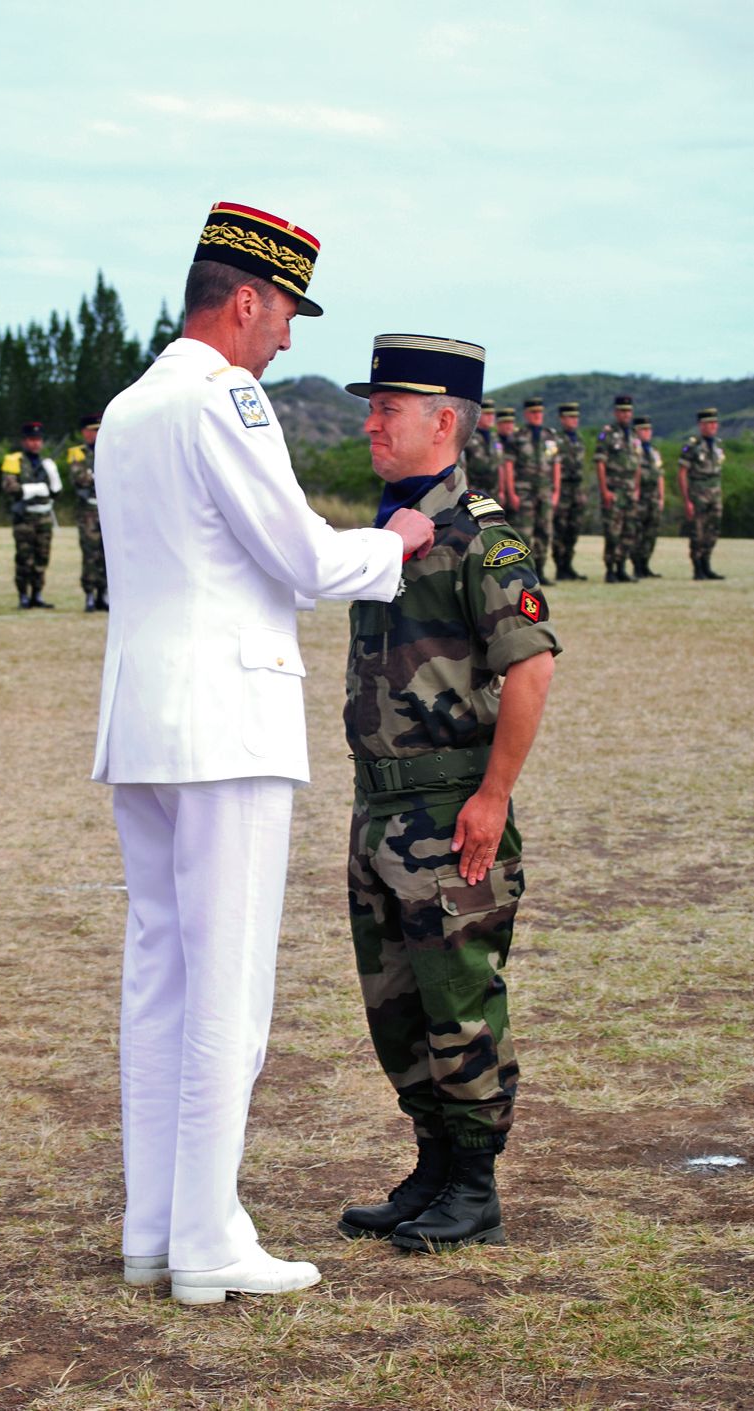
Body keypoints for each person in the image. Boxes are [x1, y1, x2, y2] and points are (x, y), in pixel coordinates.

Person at [92, 200, 435, 1304]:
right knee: (226, 994)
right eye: (283, 311)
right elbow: (297, 558)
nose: (285, 337)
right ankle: (206, 1240)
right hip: (226, 722)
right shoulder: (222, 396)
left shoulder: (130, 404)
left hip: (145, 721)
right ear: (244, 300)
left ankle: (156, 1229)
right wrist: (395, 539)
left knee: (160, 979)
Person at [337, 333, 560, 1252]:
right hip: (379, 805)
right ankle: (432, 1163)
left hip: (446, 806)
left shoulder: (480, 532)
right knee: (395, 1003)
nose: (369, 422)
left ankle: (474, 1183)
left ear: (442, 420)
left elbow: (531, 664)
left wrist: (493, 795)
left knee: (458, 997)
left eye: (386, 408)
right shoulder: (388, 527)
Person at [1, 421, 62, 608]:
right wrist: (34, 489)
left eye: (38, 440)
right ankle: (23, 596)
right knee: (24, 558)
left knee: (42, 557)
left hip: (43, 518)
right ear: (24, 441)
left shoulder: (46, 463)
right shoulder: (14, 460)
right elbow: (10, 487)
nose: (35, 444)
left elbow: (56, 491)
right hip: (24, 518)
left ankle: (37, 594)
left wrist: (53, 476)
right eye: (31, 440)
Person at [503, 397, 560, 584]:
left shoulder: (549, 436)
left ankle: (541, 570)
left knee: (545, 531)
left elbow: (556, 464)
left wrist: (556, 491)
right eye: (533, 412)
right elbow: (508, 465)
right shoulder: (517, 437)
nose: (537, 416)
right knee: (524, 533)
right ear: (526, 414)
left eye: (539, 412)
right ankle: (523, 573)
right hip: (524, 492)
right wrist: (511, 492)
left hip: (544, 492)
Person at [594, 394, 640, 583]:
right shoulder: (608, 434)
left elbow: (637, 464)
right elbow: (600, 463)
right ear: (615, 412)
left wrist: (636, 488)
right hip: (614, 490)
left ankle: (622, 567)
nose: (625, 414)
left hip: (629, 491)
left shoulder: (634, 436)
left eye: (628, 411)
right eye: (622, 411)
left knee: (629, 531)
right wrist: (605, 490)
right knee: (613, 532)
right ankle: (610, 569)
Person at [678, 408, 726, 580]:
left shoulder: (718, 445)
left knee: (712, 531)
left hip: (715, 494)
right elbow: (682, 472)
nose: (712, 426)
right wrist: (687, 500)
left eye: (714, 423)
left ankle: (707, 565)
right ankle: (697, 567)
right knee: (697, 532)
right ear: (700, 425)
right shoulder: (692, 446)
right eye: (708, 423)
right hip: (698, 494)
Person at [67, 414, 107, 611]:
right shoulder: (78, 453)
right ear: (85, 432)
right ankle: (89, 594)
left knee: (107, 553)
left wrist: (93, 476)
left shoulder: (109, 451)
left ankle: (104, 593)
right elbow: (80, 479)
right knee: (90, 553)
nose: (97, 434)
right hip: (88, 512)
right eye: (93, 430)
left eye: (99, 429)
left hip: (107, 508)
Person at [551, 401, 588, 580]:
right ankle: (560, 566)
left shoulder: (578, 439)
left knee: (574, 528)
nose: (574, 420)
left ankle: (568, 564)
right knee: (561, 527)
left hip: (577, 489)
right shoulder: (555, 440)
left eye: (576, 417)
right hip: (564, 487)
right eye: (570, 417)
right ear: (562, 419)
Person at [631, 416, 665, 578]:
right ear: (636, 432)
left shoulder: (654, 451)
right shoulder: (633, 450)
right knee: (637, 532)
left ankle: (645, 564)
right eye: (643, 429)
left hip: (652, 497)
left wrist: (661, 496)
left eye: (649, 429)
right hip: (640, 496)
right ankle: (636, 565)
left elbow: (660, 475)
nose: (647, 433)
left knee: (651, 532)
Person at [459, 397, 505, 498]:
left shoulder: (495, 438)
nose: (491, 417)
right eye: (487, 414)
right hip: (476, 491)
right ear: (479, 415)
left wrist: (502, 490)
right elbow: (463, 466)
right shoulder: (469, 438)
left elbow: (500, 465)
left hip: (494, 491)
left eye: (492, 414)